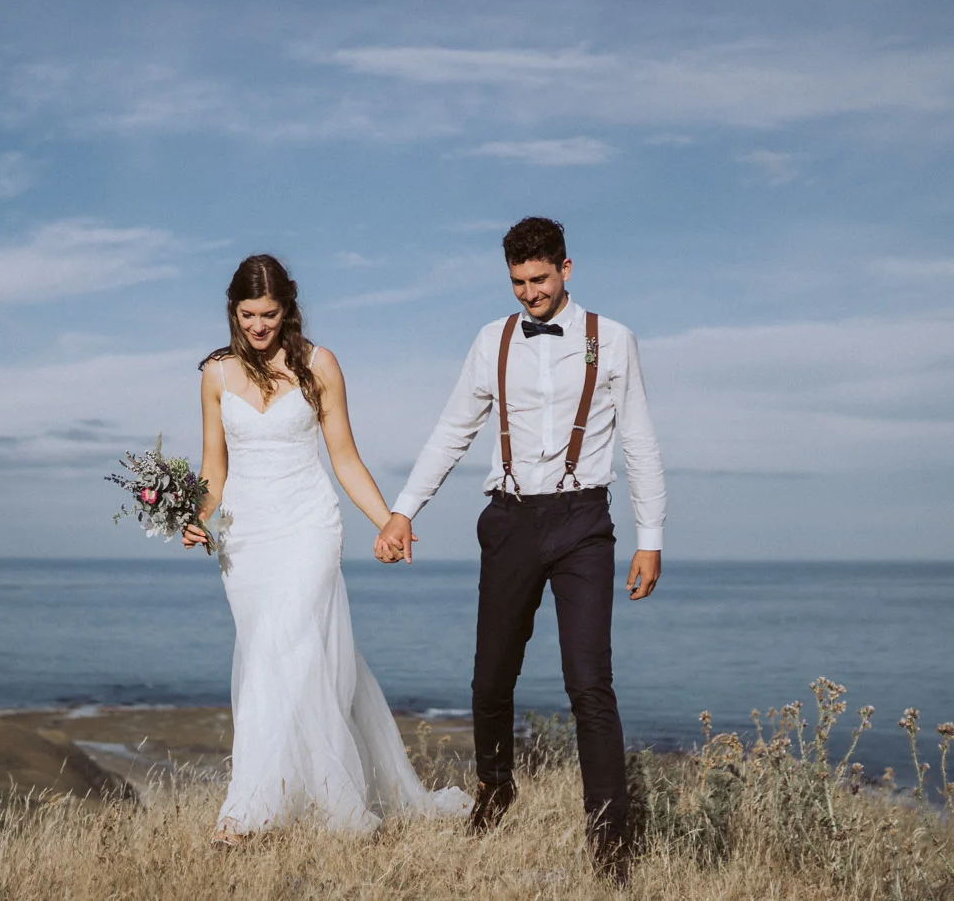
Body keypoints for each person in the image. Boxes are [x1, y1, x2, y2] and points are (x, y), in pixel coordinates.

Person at [374, 216, 667, 885]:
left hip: (583, 522)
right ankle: (495, 786)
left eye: (539, 279)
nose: (529, 294)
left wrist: (650, 536)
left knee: (589, 683)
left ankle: (609, 844)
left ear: (567, 268)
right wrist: (403, 510)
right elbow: (452, 428)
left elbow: (640, 440)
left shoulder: (611, 340)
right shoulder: (491, 340)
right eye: (518, 283)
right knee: (489, 678)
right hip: (509, 520)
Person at [182, 253, 470, 842]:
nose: (257, 326)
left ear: (287, 307)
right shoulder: (214, 373)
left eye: (268, 314)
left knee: (285, 649)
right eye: (246, 315)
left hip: (309, 526)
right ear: (231, 312)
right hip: (245, 536)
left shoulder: (320, 365)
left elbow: (343, 456)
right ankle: (301, 792)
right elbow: (213, 467)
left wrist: (390, 520)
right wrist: (195, 517)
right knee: (276, 652)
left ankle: (250, 813)